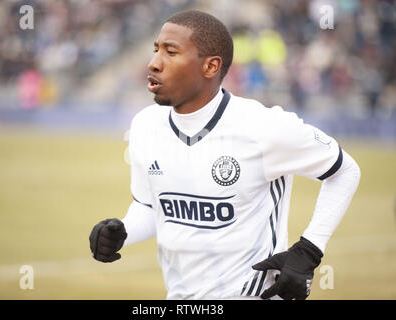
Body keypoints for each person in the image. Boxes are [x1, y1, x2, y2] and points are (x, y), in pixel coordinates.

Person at [89, 10, 361, 300]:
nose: (154, 63)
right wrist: (123, 231)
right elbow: (151, 206)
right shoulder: (145, 125)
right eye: (156, 50)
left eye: (171, 52)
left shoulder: (263, 127)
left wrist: (308, 250)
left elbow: (345, 171)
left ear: (210, 67)